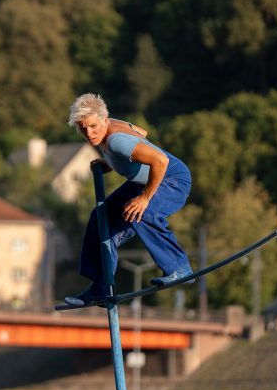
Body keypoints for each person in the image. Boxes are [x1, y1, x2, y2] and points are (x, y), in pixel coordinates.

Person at [64, 93, 193, 306]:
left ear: (104, 120)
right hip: (143, 182)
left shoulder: (117, 142)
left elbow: (160, 160)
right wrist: (113, 163)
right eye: (83, 128)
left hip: (172, 180)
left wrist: (144, 198)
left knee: (143, 212)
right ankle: (101, 288)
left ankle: (179, 267)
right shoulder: (111, 128)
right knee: (100, 218)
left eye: (93, 126)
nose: (89, 132)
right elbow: (142, 133)